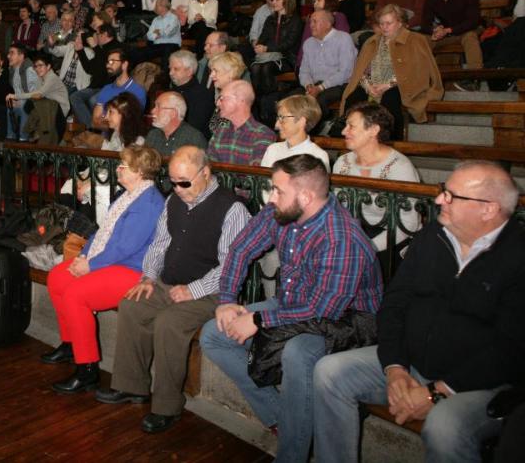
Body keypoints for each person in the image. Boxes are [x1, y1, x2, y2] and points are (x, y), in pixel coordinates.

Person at [313, 161, 524, 463]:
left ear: (488, 209)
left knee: (445, 426)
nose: (439, 200)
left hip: (478, 384)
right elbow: (395, 303)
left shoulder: (517, 256)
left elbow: (511, 348)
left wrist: (437, 392)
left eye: (451, 196)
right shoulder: (432, 236)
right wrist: (395, 367)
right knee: (329, 372)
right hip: (411, 362)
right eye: (443, 191)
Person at [200, 155, 383, 463]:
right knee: (214, 335)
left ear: (306, 197)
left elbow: (323, 309)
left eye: (278, 190)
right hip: (294, 305)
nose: (271, 197)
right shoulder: (282, 211)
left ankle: (291, 454)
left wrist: (259, 319)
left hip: (346, 322)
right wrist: (228, 300)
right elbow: (241, 248)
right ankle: (283, 420)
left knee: (298, 353)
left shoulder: (341, 238)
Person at [97, 146, 251, 433]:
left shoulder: (232, 209)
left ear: (205, 173)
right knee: (132, 305)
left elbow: (231, 267)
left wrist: (193, 290)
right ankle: (132, 386)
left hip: (212, 292)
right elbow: (159, 245)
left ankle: (167, 405)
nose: (178, 189)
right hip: (169, 282)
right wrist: (148, 277)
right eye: (173, 182)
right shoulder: (173, 201)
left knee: (169, 323)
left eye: (184, 182)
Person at [42, 146, 166, 394]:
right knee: (57, 278)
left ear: (140, 172)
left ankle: (87, 370)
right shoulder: (127, 194)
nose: (118, 169)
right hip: (108, 261)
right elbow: (102, 232)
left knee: (76, 294)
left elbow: (125, 247)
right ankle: (71, 343)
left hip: (131, 269)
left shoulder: (149, 203)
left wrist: (90, 265)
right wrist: (83, 255)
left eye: (124, 166)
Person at [341, 4, 443, 141]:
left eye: (389, 23)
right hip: (372, 85)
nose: (384, 27)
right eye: (381, 23)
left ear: (400, 23)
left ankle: (392, 143)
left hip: (399, 86)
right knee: (353, 99)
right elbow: (361, 71)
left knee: (390, 100)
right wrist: (367, 85)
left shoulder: (415, 40)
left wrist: (389, 85)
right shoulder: (372, 41)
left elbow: (419, 72)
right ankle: (352, 139)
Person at [332, 102, 421, 256]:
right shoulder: (342, 162)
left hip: (391, 240)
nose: (343, 131)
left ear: (373, 130)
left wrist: (369, 247)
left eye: (351, 126)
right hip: (353, 235)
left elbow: (409, 223)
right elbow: (337, 210)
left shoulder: (399, 167)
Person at [297, 9, 357, 123]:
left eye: (315, 21)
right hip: (314, 85)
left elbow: (345, 72)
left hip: (339, 84)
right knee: (291, 99)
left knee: (319, 102)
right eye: (310, 22)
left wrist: (321, 87)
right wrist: (308, 85)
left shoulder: (343, 39)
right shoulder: (308, 43)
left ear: (328, 24)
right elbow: (304, 70)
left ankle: (321, 128)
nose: (311, 25)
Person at [423, 0, 483, 70]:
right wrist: (434, 30)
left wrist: (449, 30)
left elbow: (472, 22)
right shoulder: (431, 0)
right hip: (445, 35)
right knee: (420, 40)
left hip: (466, 31)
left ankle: (475, 75)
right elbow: (425, 24)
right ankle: (418, 75)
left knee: (470, 37)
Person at [250, 0, 303, 98]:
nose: (273, 2)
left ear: (287, 0)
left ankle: (271, 101)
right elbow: (263, 37)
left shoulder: (295, 20)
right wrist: (258, 46)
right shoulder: (270, 19)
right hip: (270, 56)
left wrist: (267, 48)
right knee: (255, 68)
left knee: (266, 68)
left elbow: (289, 43)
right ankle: (259, 102)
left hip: (288, 58)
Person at [89, 47, 147, 133]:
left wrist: (107, 123)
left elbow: (133, 123)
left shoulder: (138, 91)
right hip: (105, 138)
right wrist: (114, 124)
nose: (108, 65)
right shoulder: (106, 89)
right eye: (107, 62)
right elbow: (95, 120)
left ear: (124, 64)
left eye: (112, 61)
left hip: (126, 139)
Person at [167, 50, 214, 138]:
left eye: (176, 69)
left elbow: (194, 127)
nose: (170, 73)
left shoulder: (203, 95)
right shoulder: (170, 92)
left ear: (189, 71)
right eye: (170, 68)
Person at [144, 92, 207, 156]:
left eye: (158, 107)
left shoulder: (193, 139)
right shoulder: (153, 135)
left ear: (173, 113)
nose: (152, 111)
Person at [4, 43, 38, 142]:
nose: (8, 56)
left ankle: (24, 139)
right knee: (10, 106)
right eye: (8, 53)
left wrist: (20, 100)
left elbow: (34, 94)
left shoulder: (29, 69)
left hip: (35, 102)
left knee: (24, 107)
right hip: (22, 101)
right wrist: (15, 100)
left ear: (21, 56)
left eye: (12, 53)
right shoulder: (13, 69)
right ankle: (10, 138)